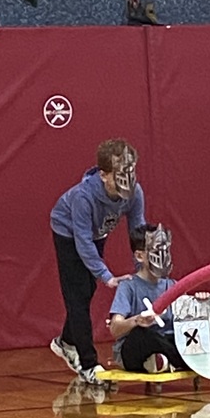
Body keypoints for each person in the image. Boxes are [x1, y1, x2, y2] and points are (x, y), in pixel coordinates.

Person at [50, 139, 145, 385]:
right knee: (78, 296)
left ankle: (65, 341)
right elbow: (82, 241)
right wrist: (106, 275)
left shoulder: (134, 192)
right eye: (120, 174)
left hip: (97, 233)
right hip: (68, 232)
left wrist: (144, 270)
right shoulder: (84, 197)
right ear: (103, 175)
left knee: (86, 290)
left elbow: (138, 231)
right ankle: (88, 364)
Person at [108, 222, 207, 373]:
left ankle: (162, 361)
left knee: (185, 338)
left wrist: (200, 303)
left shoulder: (173, 285)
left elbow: (188, 324)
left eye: (165, 250)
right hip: (137, 347)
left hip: (166, 339)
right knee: (142, 335)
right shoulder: (128, 286)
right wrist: (137, 320)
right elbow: (115, 328)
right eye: (156, 251)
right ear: (140, 256)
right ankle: (172, 361)